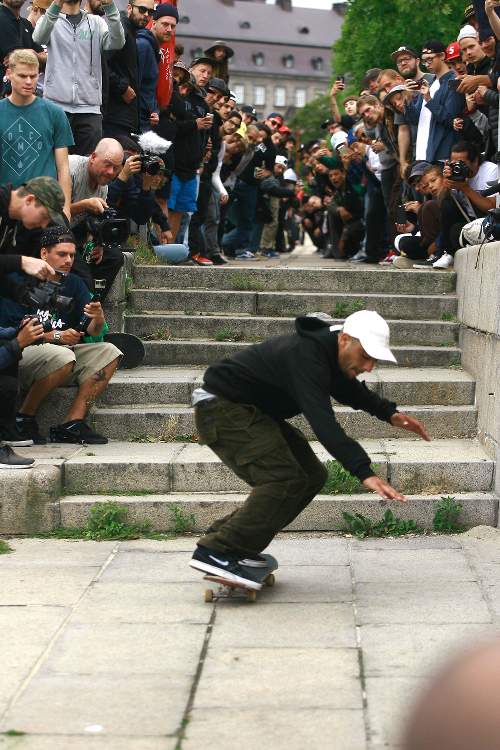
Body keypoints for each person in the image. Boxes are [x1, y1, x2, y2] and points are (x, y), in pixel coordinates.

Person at [189, 311, 430, 590]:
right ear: (346, 340)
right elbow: (323, 423)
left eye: (374, 360)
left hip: (251, 411)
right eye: (365, 356)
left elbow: (348, 389)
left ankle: (230, 540)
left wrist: (389, 413)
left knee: (311, 474)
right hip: (222, 408)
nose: (369, 366)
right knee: (283, 477)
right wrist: (363, 471)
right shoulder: (307, 357)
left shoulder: (330, 352)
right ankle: (217, 551)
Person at [0, 225, 122, 445]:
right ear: (44, 253)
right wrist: (55, 336)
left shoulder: (74, 283)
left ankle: (72, 423)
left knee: (109, 352)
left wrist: (98, 316)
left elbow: (94, 332)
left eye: (72, 255)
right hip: (22, 354)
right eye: (62, 254)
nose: (68, 260)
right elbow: (13, 334)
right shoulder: (18, 281)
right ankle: (24, 417)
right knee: (63, 356)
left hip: (61, 354)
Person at [32, 0, 125, 156]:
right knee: (52, 166)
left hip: (90, 110)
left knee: (86, 168)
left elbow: (118, 42)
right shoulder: (50, 18)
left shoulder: (96, 22)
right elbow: (39, 37)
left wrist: (110, 7)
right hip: (56, 107)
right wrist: (56, 4)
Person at [0, 49, 74, 219]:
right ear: (9, 74)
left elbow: (63, 168)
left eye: (33, 76)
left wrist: (66, 209)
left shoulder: (55, 113)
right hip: (6, 207)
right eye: (22, 76)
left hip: (45, 206)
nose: (28, 81)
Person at [68, 137, 125, 298]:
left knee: (114, 257)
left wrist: (98, 243)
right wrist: (84, 205)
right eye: (107, 165)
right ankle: (86, 310)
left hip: (78, 234)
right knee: (83, 276)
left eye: (116, 168)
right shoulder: (71, 168)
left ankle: (94, 305)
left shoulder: (103, 187)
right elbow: (52, 214)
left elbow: (96, 221)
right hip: (55, 232)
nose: (110, 172)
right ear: (93, 157)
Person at [103, 0, 155, 138]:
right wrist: (122, 87)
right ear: (130, 8)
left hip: (123, 116)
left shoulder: (131, 31)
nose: (146, 15)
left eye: (151, 12)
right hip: (114, 116)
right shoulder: (122, 29)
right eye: (142, 9)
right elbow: (101, 63)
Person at [136, 4, 178, 133]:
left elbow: (148, 88)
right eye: (165, 24)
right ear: (153, 23)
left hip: (145, 119)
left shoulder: (153, 49)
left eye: (173, 26)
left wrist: (154, 110)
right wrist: (148, 110)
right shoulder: (143, 45)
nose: (169, 29)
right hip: (136, 121)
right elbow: (134, 85)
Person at [0, 0, 46, 82]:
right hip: (6, 89)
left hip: (26, 88)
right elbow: (18, 60)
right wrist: (33, 55)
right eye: (43, 12)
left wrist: (34, 54)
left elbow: (45, 62)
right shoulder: (2, 19)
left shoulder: (26, 24)